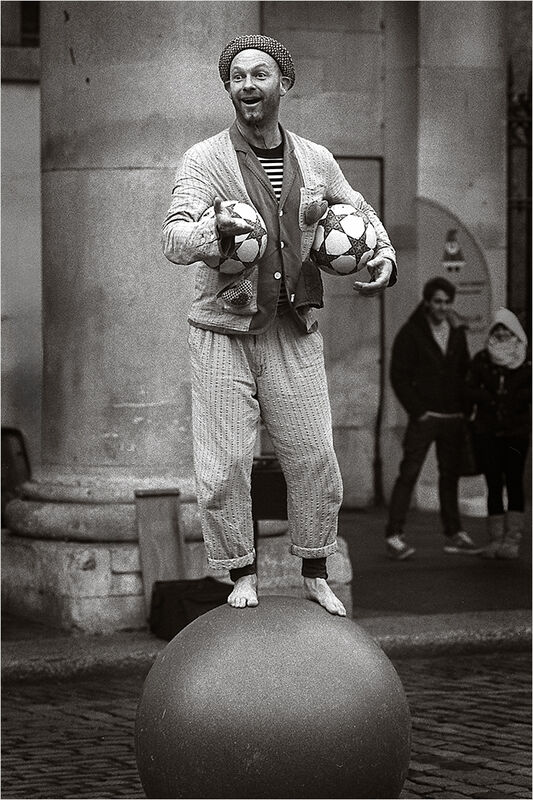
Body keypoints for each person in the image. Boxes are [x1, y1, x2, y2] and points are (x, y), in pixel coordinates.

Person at [161, 34, 397, 614]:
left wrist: (384, 255)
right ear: (228, 88)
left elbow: (357, 212)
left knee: (314, 453)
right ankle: (240, 572)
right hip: (222, 329)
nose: (247, 85)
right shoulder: (204, 159)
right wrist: (211, 235)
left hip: (292, 327)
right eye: (237, 76)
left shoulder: (316, 158)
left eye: (259, 75)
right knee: (224, 465)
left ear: (282, 84)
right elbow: (173, 236)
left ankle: (314, 567)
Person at [385, 276, 479, 559]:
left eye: (447, 302)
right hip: (425, 417)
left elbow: (465, 371)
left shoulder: (457, 331)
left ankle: (454, 533)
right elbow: (398, 376)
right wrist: (418, 411)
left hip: (453, 416)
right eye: (437, 301)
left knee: (449, 476)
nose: (442, 306)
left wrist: (467, 408)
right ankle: (394, 534)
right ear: (427, 302)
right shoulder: (411, 333)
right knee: (409, 473)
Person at [465, 308, 531, 559]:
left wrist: (509, 397)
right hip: (488, 431)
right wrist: (491, 399)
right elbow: (469, 390)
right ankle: (494, 539)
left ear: (515, 333)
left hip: (516, 432)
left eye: (507, 330)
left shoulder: (524, 362)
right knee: (493, 483)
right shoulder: (482, 359)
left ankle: (512, 539)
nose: (502, 334)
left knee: (514, 483)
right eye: (498, 330)